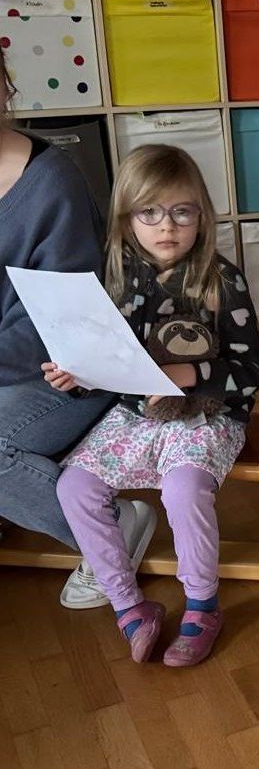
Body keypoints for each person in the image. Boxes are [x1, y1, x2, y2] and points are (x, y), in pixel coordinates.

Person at [45, 145, 259, 666]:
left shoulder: (220, 278)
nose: (166, 227)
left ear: (201, 215)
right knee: (73, 486)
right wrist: (73, 376)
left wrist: (188, 375)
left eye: (181, 212)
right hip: (133, 418)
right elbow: (104, 368)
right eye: (150, 213)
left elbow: (250, 373)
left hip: (206, 416)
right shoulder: (113, 277)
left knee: (183, 487)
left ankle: (202, 605)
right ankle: (128, 606)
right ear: (127, 216)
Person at [0, 44, 154, 605]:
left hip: (67, 371)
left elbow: (58, 326)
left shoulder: (50, 183)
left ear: (5, 88)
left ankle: (111, 528)